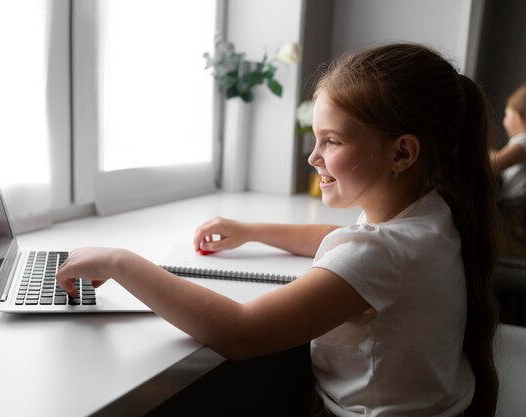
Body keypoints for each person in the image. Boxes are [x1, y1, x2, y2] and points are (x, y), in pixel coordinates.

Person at [56, 43, 499, 416]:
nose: (313, 157)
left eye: (332, 141)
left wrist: (121, 262)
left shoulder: (384, 255)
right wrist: (252, 230)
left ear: (402, 154)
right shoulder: (430, 213)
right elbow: (338, 241)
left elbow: (241, 331)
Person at [490, 85, 526, 252]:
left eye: (506, 114)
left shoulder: (522, 142)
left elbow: (495, 164)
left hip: (514, 205)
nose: (504, 120)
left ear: (517, 117)